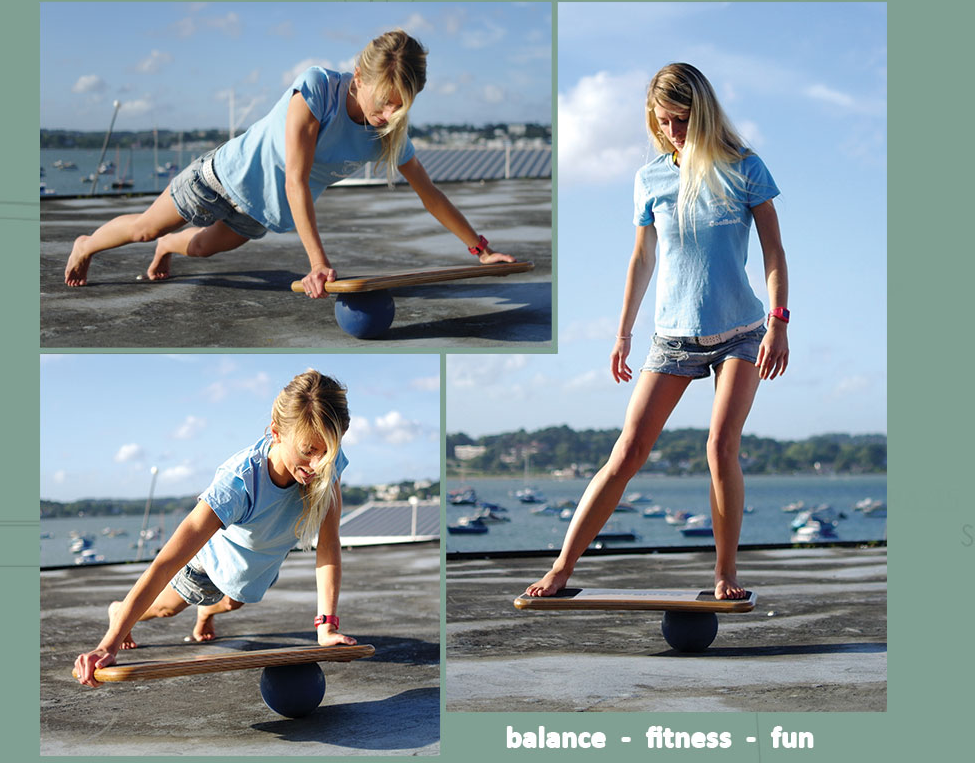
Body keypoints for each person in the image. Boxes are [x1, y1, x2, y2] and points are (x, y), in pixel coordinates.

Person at [526, 63, 789, 601]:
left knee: (720, 447)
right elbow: (642, 258)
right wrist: (622, 333)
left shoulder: (745, 168)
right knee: (627, 452)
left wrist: (778, 324)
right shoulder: (651, 178)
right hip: (671, 337)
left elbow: (774, 252)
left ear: (704, 114)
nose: (673, 131)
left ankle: (725, 575)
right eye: (664, 120)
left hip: (741, 331)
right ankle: (560, 569)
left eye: (682, 119)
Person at [65, 30, 514, 294]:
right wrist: (319, 262)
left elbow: (430, 195)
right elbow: (295, 180)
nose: (391, 115)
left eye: (402, 106)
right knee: (147, 227)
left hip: (262, 212)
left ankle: (166, 250)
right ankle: (87, 244)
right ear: (359, 79)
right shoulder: (317, 89)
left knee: (198, 248)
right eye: (385, 101)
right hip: (221, 178)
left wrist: (482, 251)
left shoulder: (388, 133)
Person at [74, 370, 357, 687]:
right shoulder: (238, 484)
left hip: (254, 562)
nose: (319, 465)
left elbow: (329, 545)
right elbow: (167, 561)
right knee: (167, 609)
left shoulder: (326, 459)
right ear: (276, 433)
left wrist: (326, 627)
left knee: (234, 600)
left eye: (327, 451)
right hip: (210, 561)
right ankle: (120, 613)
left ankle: (206, 612)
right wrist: (108, 643)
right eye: (308, 451)